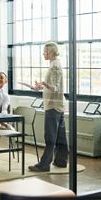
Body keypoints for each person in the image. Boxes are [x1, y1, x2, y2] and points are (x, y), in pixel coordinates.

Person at [28, 42, 68, 172]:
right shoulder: (56, 64)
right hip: (58, 104)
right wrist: (42, 86)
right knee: (60, 135)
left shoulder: (54, 66)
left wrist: (44, 83)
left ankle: (44, 165)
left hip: (53, 105)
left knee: (50, 136)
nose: (43, 54)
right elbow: (53, 86)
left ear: (51, 52)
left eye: (45, 51)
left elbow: (54, 87)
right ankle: (61, 161)